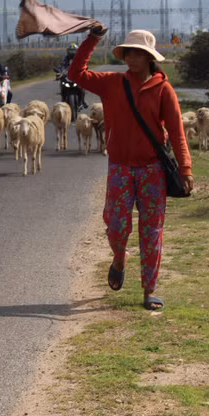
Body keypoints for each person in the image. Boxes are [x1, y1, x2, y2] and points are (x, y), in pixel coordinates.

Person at [67, 27, 194, 311]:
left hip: (152, 171)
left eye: (137, 53)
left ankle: (149, 290)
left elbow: (176, 133)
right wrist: (92, 40)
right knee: (116, 226)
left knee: (151, 231)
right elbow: (75, 75)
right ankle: (119, 257)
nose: (130, 58)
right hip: (120, 168)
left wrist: (185, 169)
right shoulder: (112, 83)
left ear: (149, 57)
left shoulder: (163, 90)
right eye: (127, 52)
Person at [58, 43, 88, 109]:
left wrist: (84, 71)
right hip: (67, 76)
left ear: (77, 51)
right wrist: (60, 72)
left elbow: (83, 65)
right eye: (71, 51)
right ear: (68, 51)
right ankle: (63, 99)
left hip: (77, 76)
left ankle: (82, 101)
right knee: (62, 83)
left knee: (82, 87)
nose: (72, 53)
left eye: (74, 51)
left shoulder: (79, 58)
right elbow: (62, 66)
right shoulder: (65, 58)